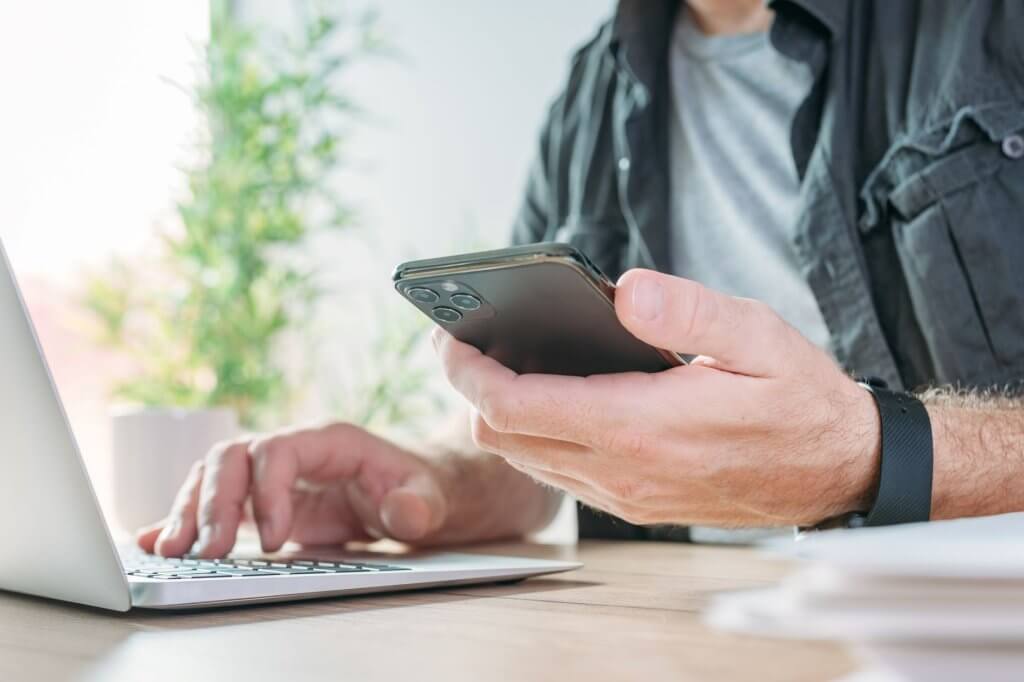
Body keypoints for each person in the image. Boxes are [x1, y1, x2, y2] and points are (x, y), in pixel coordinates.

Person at [139, 0, 1024, 558]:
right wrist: (433, 479)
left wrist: (865, 454)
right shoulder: (591, 94)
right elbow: (564, 438)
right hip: (678, 630)